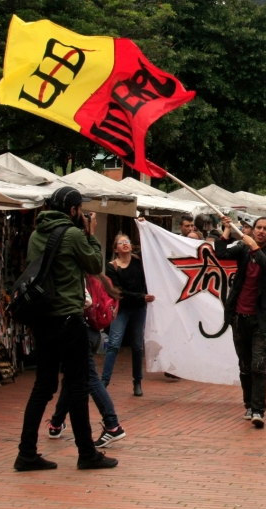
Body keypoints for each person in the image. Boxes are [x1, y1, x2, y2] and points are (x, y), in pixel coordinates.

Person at [15, 186, 117, 471]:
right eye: (80, 209)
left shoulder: (37, 234)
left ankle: (26, 452)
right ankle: (87, 453)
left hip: (42, 318)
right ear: (73, 211)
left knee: (43, 386)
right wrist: (90, 233)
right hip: (68, 319)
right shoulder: (72, 235)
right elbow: (95, 263)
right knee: (78, 385)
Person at [215, 217, 266, 428]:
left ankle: (258, 410)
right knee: (245, 366)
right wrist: (227, 230)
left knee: (258, 366)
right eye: (258, 228)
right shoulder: (242, 248)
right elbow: (221, 253)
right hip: (238, 316)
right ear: (253, 230)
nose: (261, 231)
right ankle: (248, 404)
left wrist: (254, 247)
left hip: (261, 320)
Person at [48, 275, 126, 448]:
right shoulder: (99, 277)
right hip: (91, 332)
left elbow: (87, 301)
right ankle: (56, 423)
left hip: (81, 331)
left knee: (90, 378)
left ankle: (113, 425)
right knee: (71, 377)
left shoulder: (79, 276)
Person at [101, 235, 155, 396]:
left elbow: (151, 243)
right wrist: (141, 297)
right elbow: (118, 291)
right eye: (121, 243)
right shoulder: (112, 267)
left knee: (137, 346)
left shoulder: (139, 259)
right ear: (115, 248)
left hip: (139, 308)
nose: (125, 245)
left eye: (127, 242)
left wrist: (143, 226)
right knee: (114, 344)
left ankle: (137, 381)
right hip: (122, 308)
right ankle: (104, 382)